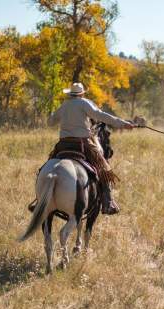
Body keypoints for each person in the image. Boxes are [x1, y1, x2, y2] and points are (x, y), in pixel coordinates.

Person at [31, 82, 134, 215]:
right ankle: (108, 202)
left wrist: (55, 112)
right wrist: (123, 124)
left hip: (63, 143)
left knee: (49, 163)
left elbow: (50, 122)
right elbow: (100, 115)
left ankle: (39, 200)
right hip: (82, 143)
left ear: (70, 93)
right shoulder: (84, 103)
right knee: (104, 167)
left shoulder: (64, 105)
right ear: (82, 93)